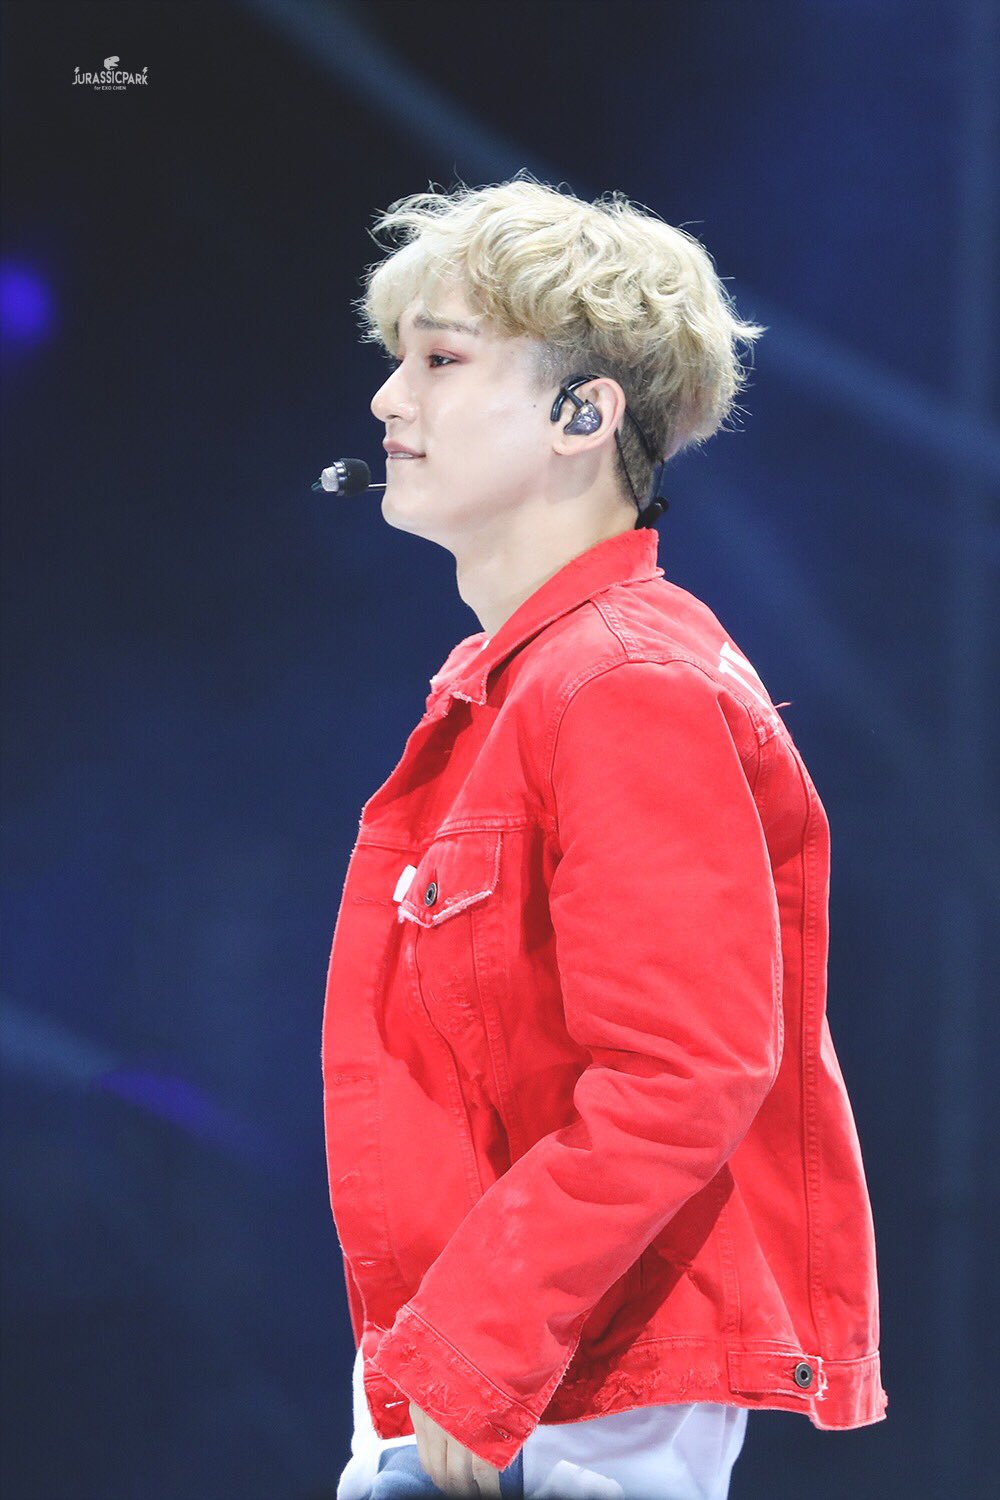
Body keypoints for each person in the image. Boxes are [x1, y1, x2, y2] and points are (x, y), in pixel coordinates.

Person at [322, 173, 888, 1500]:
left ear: (584, 414)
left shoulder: (624, 682)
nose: (388, 401)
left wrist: (482, 1337)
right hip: (493, 1382)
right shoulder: (527, 687)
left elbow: (686, 1070)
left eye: (440, 361)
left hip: (571, 1397)